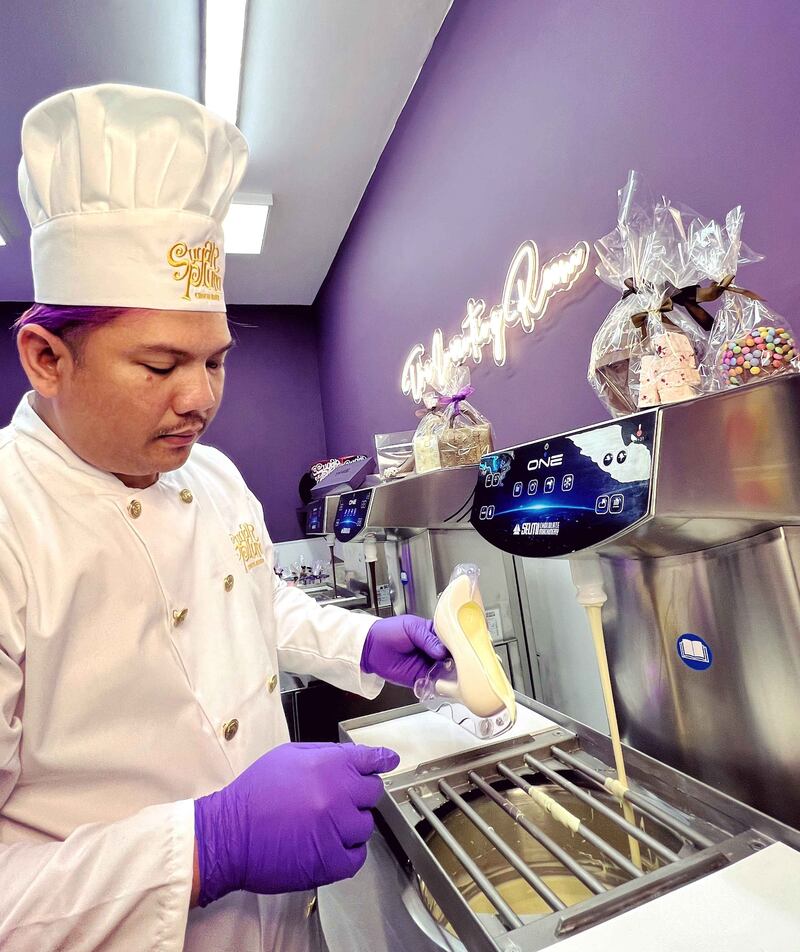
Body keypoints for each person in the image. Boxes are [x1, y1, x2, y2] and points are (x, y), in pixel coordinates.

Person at [0, 83, 447, 951]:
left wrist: (363, 643)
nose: (199, 400)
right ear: (46, 358)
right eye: (160, 365)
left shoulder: (210, 474)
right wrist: (206, 847)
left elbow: (254, 600)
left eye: (215, 361)